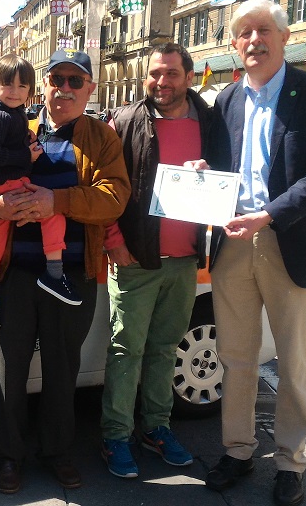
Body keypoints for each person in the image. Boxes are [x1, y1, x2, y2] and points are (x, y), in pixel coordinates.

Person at [201, 0, 306, 506]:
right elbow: (223, 165)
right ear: (234, 45)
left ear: (285, 38)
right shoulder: (227, 100)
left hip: (292, 239)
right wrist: (203, 175)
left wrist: (270, 214)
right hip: (233, 244)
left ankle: (290, 461)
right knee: (236, 357)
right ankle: (238, 451)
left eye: (265, 30)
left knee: (292, 360)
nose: (254, 40)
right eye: (243, 32)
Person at [0, 48, 129, 494]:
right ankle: (9, 457)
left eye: (76, 82)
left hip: (71, 275)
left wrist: (57, 202)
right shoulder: (15, 121)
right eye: (58, 79)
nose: (65, 89)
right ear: (45, 86)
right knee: (9, 367)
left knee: (62, 368)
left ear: (90, 89)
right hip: (16, 272)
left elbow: (115, 196)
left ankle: (57, 452)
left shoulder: (101, 138)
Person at [98, 42, 211, 478]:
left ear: (188, 75)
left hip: (184, 260)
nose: (162, 82)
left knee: (166, 349)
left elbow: (229, 176)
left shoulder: (210, 122)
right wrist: (113, 242)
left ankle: (157, 428)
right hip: (135, 258)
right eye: (155, 74)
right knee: (126, 350)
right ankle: (114, 436)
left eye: (171, 74)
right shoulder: (125, 121)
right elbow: (104, 185)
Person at [0, 55, 79, 329]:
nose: (15, 92)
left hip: (3, 184)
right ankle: (54, 274)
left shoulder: (10, 115)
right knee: (51, 212)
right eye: (8, 84)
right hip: (6, 182)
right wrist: (25, 156)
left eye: (22, 86)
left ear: (30, 90)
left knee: (0, 231)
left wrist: (24, 141)